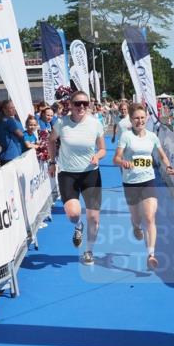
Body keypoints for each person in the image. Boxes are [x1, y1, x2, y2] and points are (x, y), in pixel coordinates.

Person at [114, 103, 174, 269]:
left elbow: (162, 155)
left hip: (148, 180)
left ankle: (151, 254)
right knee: (137, 218)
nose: (140, 121)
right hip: (131, 183)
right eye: (136, 118)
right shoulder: (126, 136)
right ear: (131, 119)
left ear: (147, 118)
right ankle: (135, 226)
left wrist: (168, 166)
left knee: (149, 217)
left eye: (142, 117)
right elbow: (116, 158)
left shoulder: (152, 136)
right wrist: (123, 162)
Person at [47, 91, 106, 265]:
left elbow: (102, 149)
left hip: (90, 173)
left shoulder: (95, 124)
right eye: (77, 103)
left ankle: (89, 251)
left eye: (85, 104)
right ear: (71, 105)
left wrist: (97, 156)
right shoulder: (61, 123)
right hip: (68, 174)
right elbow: (51, 141)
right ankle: (79, 225)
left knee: (94, 218)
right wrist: (52, 162)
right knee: (73, 214)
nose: (81, 107)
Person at [0, 100, 26, 165]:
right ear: (4, 109)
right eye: (11, 108)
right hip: (12, 155)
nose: (14, 109)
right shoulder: (9, 120)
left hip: (4, 155)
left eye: (14, 107)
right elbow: (21, 135)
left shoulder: (0, 120)